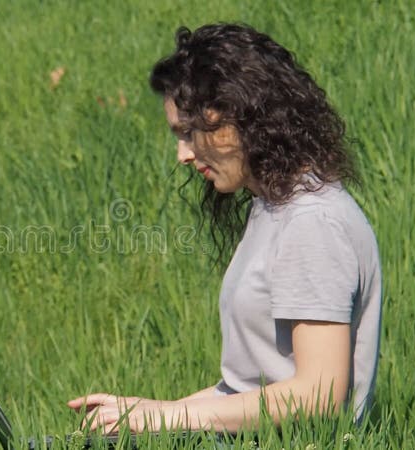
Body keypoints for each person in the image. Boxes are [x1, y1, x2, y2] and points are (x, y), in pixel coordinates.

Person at [67, 23, 382, 434]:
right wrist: (141, 415)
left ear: (237, 117)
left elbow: (319, 396)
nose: (183, 154)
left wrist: (167, 417)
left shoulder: (312, 223)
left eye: (188, 133)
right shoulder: (274, 207)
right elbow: (243, 390)